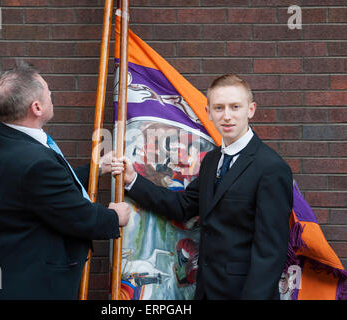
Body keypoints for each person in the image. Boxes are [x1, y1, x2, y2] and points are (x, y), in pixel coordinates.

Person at [112, 74, 293, 300]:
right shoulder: (211, 160)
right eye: (219, 108)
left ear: (251, 109)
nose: (227, 116)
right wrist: (133, 180)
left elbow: (270, 252)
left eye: (235, 107)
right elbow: (183, 206)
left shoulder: (271, 168)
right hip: (206, 290)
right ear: (208, 113)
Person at [0, 60, 130, 300]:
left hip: (11, 274)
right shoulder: (35, 161)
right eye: (49, 92)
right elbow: (80, 216)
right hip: (34, 287)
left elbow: (45, 192)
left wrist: (96, 169)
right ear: (37, 108)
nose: (52, 95)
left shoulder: (5, 138)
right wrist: (115, 217)